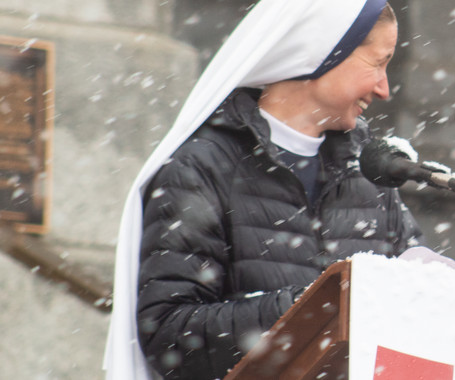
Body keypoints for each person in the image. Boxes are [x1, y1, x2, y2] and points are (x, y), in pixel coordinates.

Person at [103, 1, 423, 379]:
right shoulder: (203, 166)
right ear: (323, 52)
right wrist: (310, 310)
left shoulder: (369, 171)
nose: (385, 88)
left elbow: (416, 302)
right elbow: (170, 335)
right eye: (378, 63)